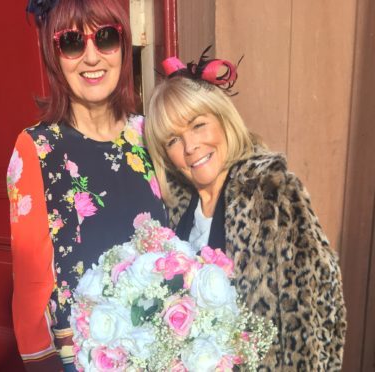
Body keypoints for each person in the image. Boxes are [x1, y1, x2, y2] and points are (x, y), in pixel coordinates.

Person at [144, 51, 347, 371]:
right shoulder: (179, 210)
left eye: (198, 125)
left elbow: (312, 315)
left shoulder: (269, 195)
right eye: (173, 140)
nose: (190, 146)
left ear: (223, 121)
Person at [7, 0, 166, 371]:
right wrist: (40, 362)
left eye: (106, 38)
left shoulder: (150, 134)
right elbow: (30, 281)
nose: (92, 57)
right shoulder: (36, 148)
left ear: (123, 48)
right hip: (84, 355)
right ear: (54, 55)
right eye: (73, 43)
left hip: (161, 342)